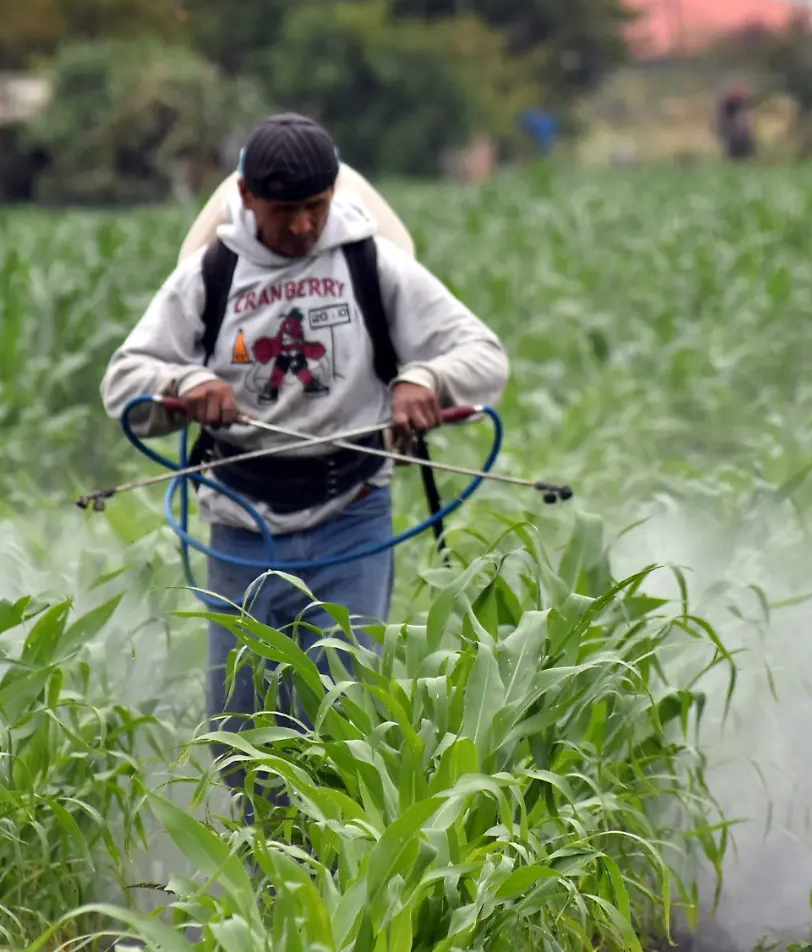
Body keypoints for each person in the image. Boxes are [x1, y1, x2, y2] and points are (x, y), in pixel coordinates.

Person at [100, 112, 508, 737]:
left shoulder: (372, 263)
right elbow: (123, 382)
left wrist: (425, 379)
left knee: (344, 723)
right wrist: (186, 385)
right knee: (242, 733)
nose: (302, 226)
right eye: (284, 210)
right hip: (240, 523)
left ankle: (338, 840)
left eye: (316, 207)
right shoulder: (211, 274)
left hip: (353, 513)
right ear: (245, 197)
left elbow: (484, 355)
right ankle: (257, 837)